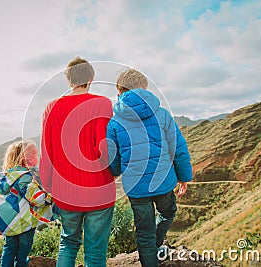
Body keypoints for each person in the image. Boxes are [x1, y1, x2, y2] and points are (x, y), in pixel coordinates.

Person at [107, 68, 192, 267]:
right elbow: (178, 148)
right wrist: (183, 176)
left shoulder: (114, 123)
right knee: (168, 212)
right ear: (144, 89)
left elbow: (114, 159)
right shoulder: (162, 114)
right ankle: (156, 243)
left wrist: (116, 172)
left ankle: (150, 250)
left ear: (119, 93)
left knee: (143, 233)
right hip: (163, 182)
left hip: (137, 189)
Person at [40, 57, 116, 267]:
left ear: (68, 80)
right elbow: (105, 148)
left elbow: (47, 153)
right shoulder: (102, 103)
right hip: (99, 191)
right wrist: (114, 172)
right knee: (95, 252)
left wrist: (48, 186)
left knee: (68, 243)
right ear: (91, 78)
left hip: (66, 192)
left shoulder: (51, 108)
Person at [0, 140, 53, 267]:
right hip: (23, 221)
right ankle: (21, 263)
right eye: (36, 155)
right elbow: (35, 198)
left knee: (9, 247)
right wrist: (51, 197)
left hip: (8, 222)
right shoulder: (25, 177)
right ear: (26, 159)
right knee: (24, 246)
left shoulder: (5, 177)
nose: (38, 158)